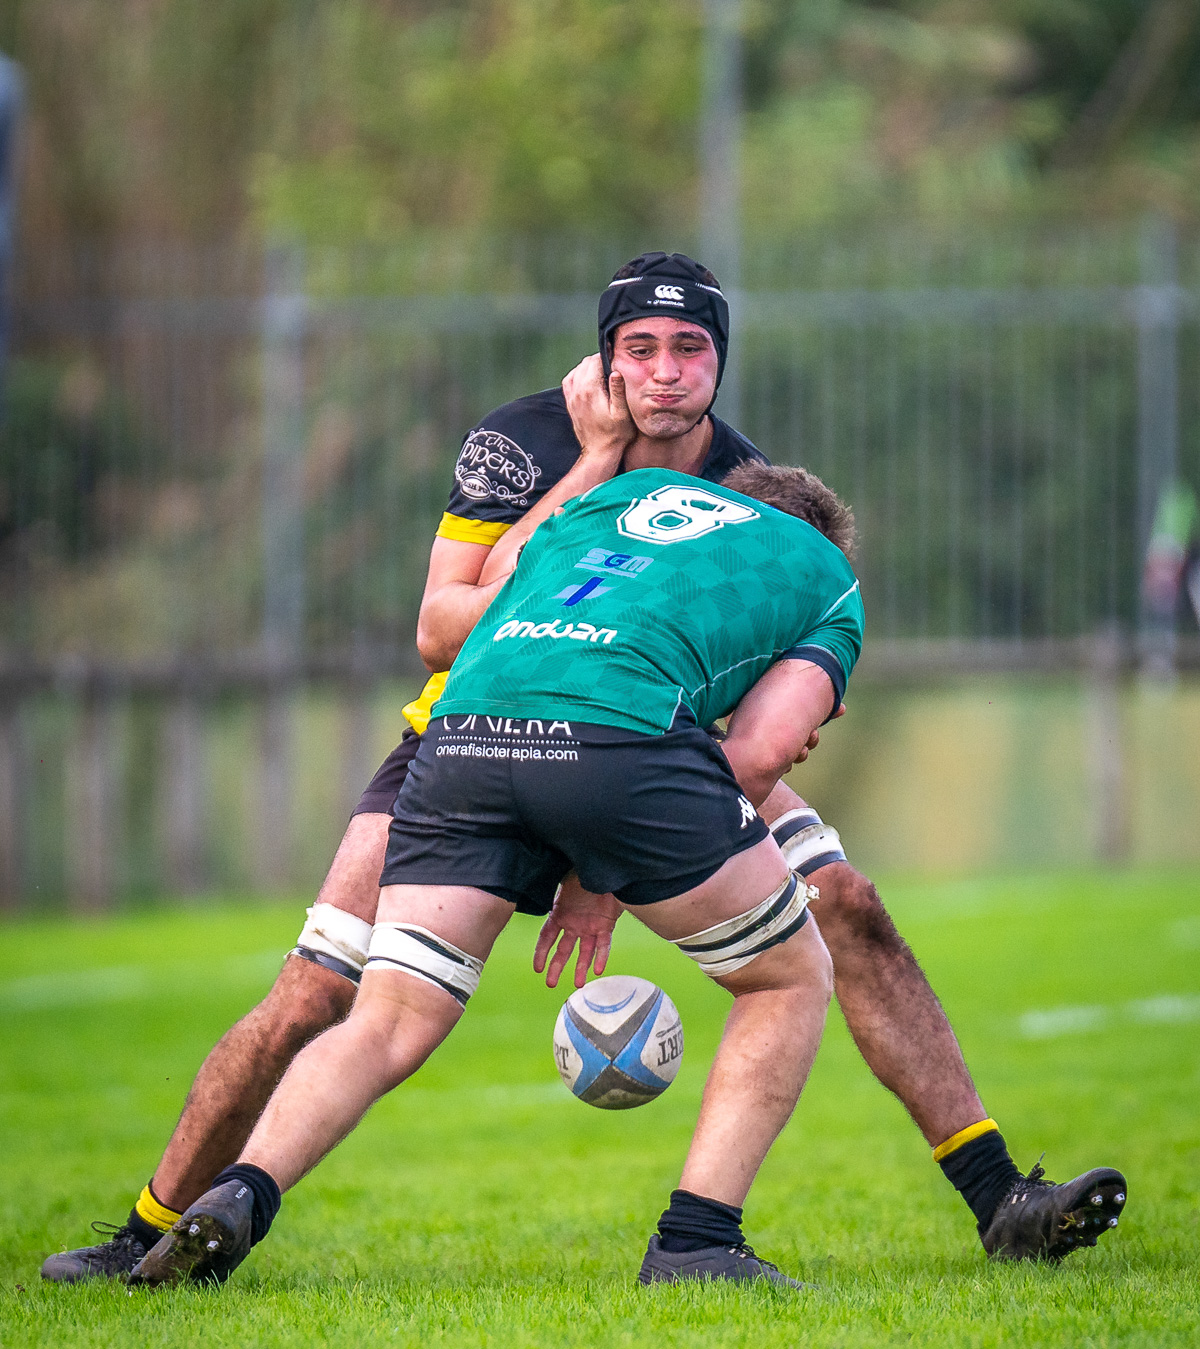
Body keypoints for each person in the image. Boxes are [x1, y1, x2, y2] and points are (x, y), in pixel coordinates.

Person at [42, 253, 1125, 1283]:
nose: (664, 372)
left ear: (719, 362)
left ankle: (1000, 1201)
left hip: (638, 737)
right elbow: (439, 627)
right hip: (464, 723)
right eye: (641, 348)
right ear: (605, 356)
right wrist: (597, 469)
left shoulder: (749, 479)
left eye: (689, 350)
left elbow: (735, 721)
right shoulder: (520, 444)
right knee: (313, 994)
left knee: (845, 899)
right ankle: (148, 1229)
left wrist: (609, 853)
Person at [129, 460, 869, 1288]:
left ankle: (237, 1195)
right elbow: (761, 752)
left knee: (388, 1019)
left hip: (460, 737)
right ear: (817, 534)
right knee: (788, 978)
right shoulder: (825, 575)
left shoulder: (618, 498)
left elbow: (504, 590)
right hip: (615, 741)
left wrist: (597, 865)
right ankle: (696, 1242)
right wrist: (611, 862)